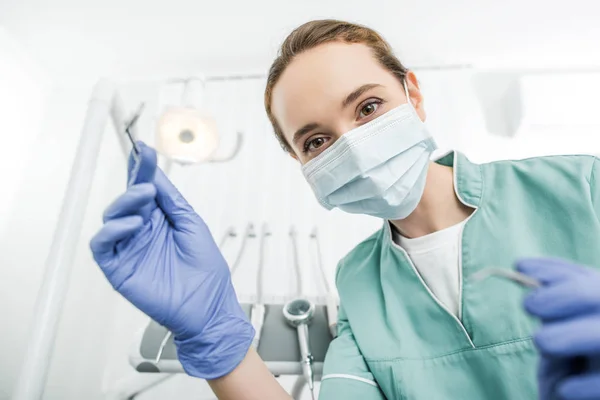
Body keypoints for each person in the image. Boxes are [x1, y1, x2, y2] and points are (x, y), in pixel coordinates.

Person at [90, 19, 600, 400]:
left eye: (369, 107)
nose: (352, 147)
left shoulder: (582, 184)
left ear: (413, 95)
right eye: (316, 140)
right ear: (301, 163)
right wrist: (213, 337)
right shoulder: (358, 283)